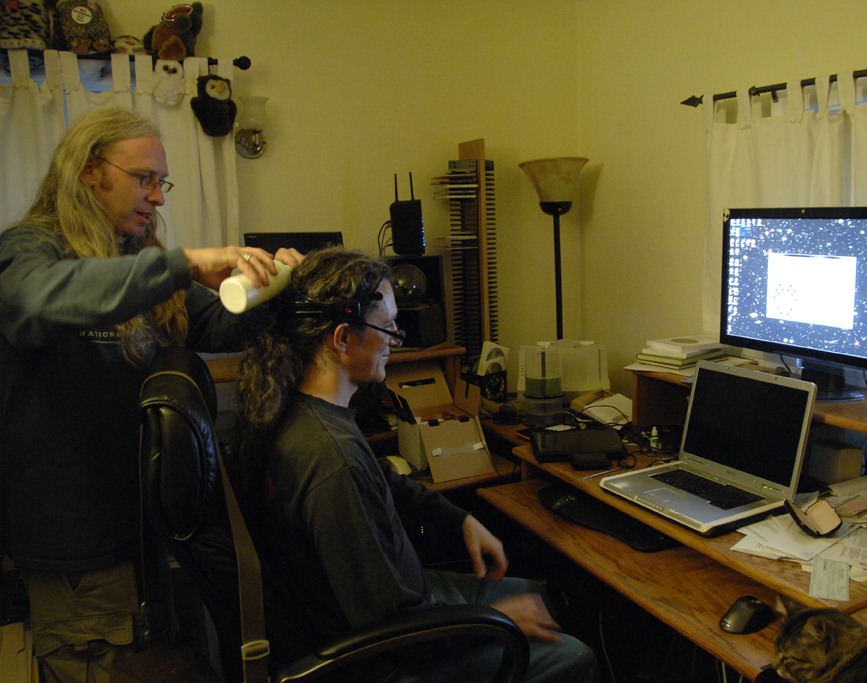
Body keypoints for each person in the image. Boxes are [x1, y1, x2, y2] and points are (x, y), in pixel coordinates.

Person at [0, 105, 302, 683]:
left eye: (160, 182)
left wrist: (277, 287)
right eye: (144, 179)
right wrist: (183, 263)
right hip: (78, 548)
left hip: (148, 530)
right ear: (91, 171)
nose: (157, 197)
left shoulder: (133, 260)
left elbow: (218, 325)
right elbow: (34, 302)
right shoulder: (29, 251)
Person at [232, 247, 598, 682]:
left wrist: (460, 520)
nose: (395, 339)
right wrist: (499, 619)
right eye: (386, 327)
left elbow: (387, 481)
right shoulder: (331, 461)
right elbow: (383, 627)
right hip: (391, 656)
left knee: (537, 594)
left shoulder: (309, 412)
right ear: (342, 338)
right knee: (574, 657)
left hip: (400, 607)